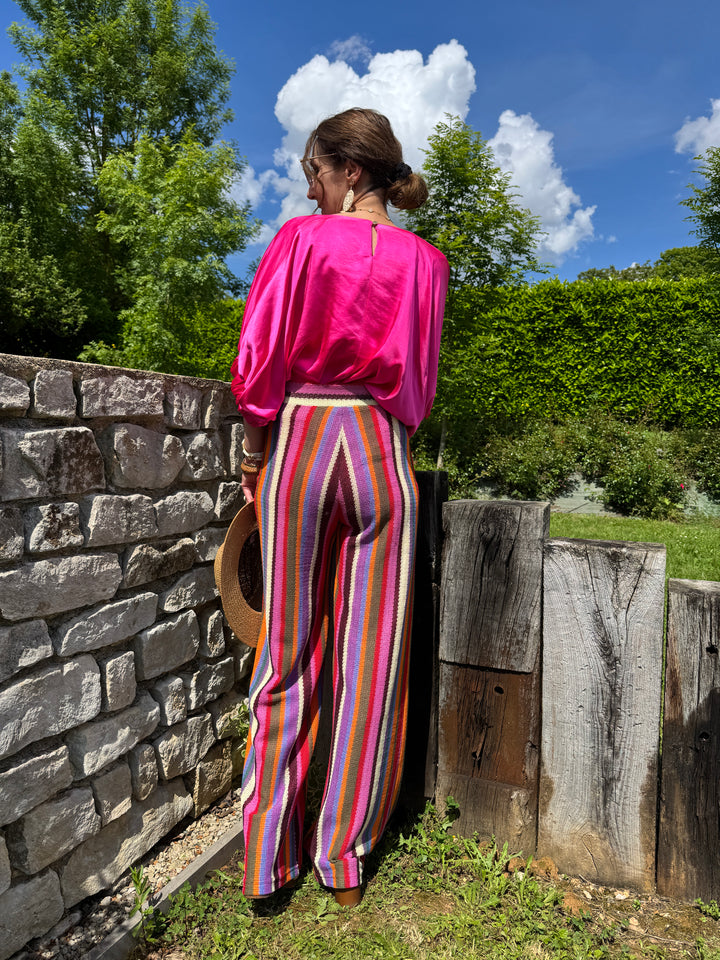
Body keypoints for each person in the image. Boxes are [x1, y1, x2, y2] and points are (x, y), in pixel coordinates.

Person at [230, 107, 448, 907]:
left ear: (349, 171)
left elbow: (261, 354)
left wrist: (255, 454)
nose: (308, 188)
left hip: (304, 437)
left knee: (286, 654)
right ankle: (344, 863)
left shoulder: (300, 241)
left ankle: (267, 862)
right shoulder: (428, 262)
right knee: (372, 663)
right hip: (382, 449)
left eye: (313, 172)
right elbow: (418, 383)